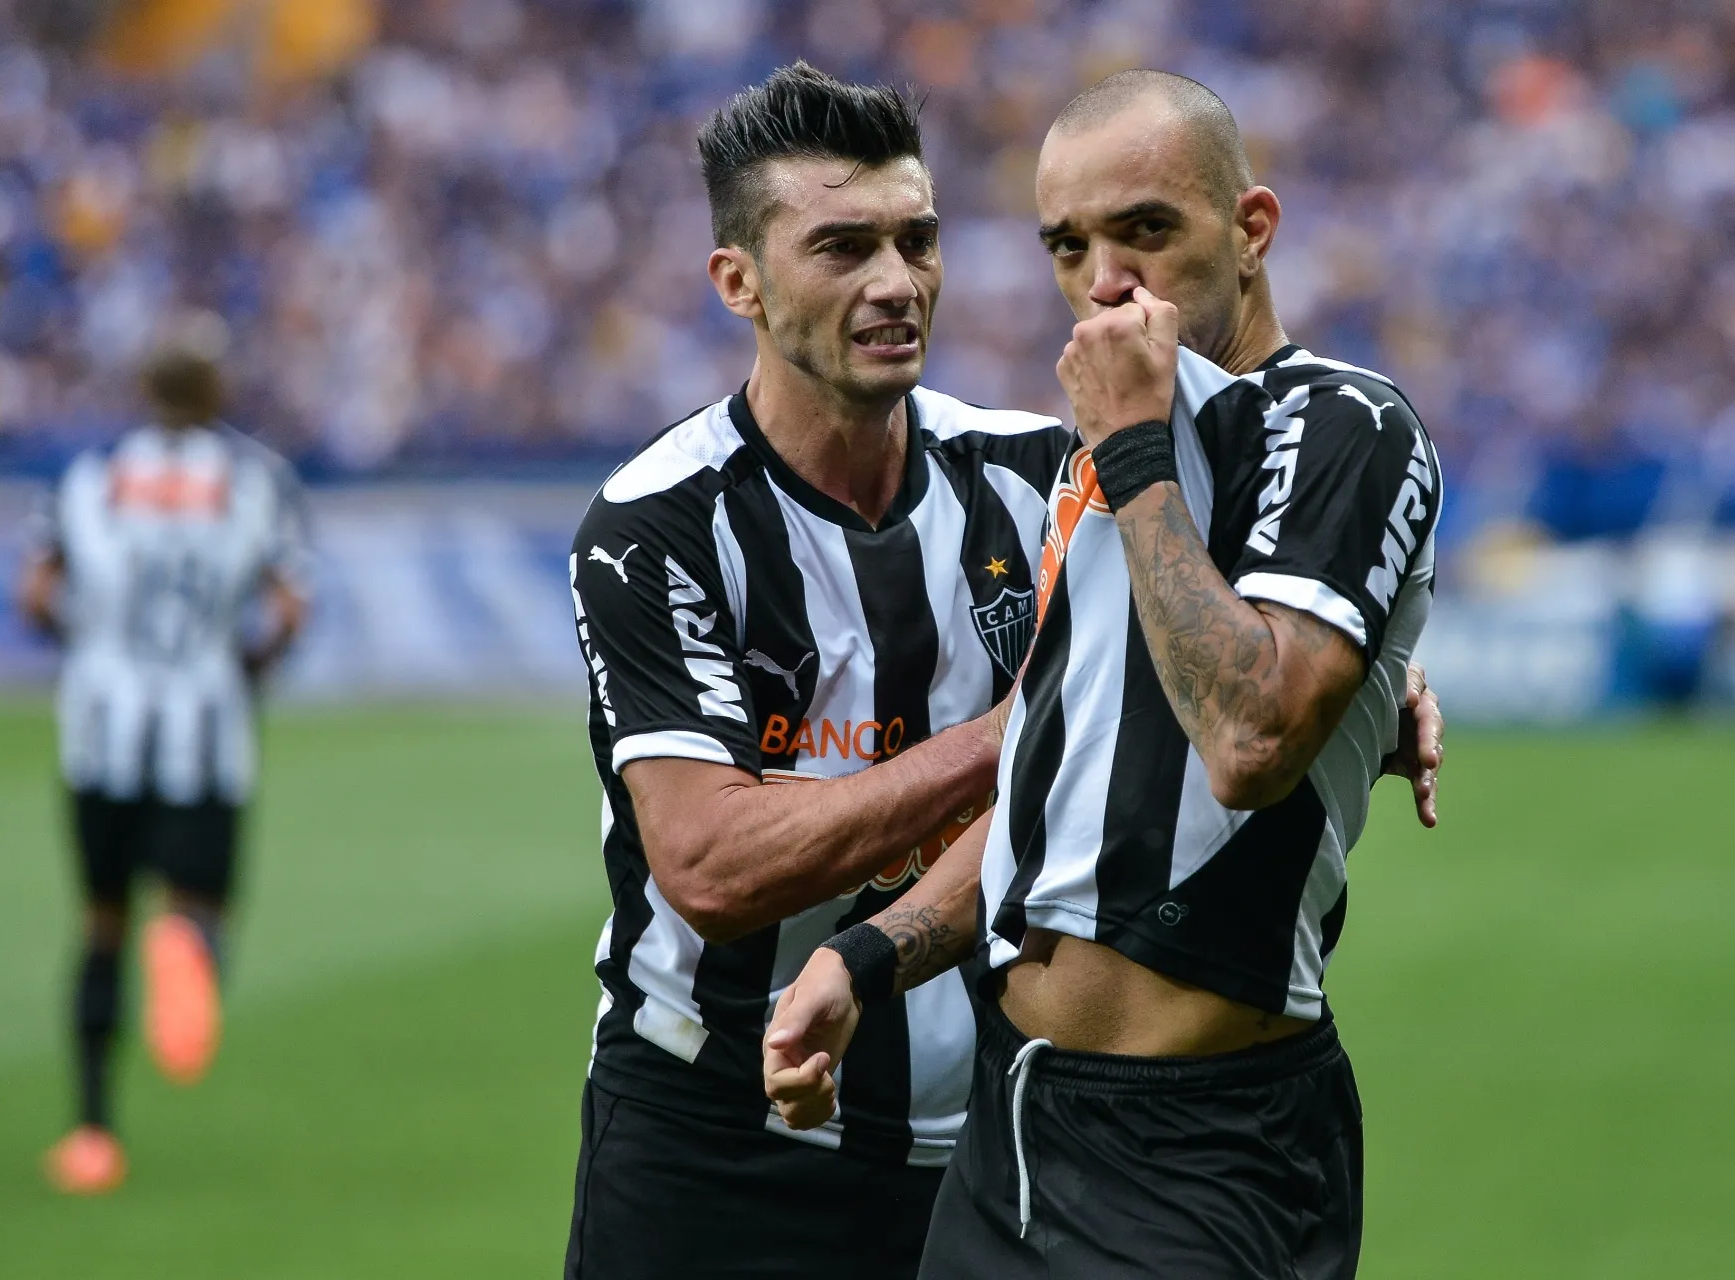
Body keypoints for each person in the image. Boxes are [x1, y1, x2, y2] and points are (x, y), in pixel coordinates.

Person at [570, 64, 1441, 1279]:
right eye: (840, 247)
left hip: (987, 1123)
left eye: (916, 240)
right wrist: (1044, 717)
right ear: (740, 283)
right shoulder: (655, 522)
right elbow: (713, 864)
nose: (893, 282)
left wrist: (1365, 681)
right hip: (717, 1130)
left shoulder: (1046, 470)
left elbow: (1241, 689)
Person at [20, 345, 310, 1195]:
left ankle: (91, 1133)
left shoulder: (93, 474)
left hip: (99, 726)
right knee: (201, 908)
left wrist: (82, 651)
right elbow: (291, 606)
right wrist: (251, 665)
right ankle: (185, 948)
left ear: (143, 391)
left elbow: (34, 594)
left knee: (100, 923)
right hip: (207, 724)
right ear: (217, 393)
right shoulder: (255, 479)